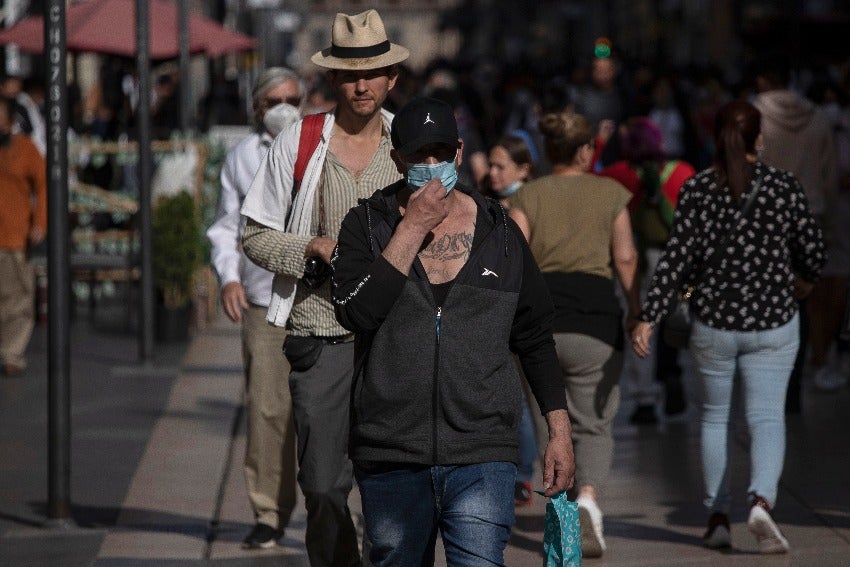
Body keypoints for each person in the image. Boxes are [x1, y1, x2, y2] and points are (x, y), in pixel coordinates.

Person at [332, 96, 575, 566]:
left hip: (482, 449)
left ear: (459, 154)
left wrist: (558, 432)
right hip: (391, 450)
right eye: (419, 155)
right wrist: (410, 230)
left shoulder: (499, 231)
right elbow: (355, 313)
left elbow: (535, 337)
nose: (431, 165)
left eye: (440, 154)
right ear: (395, 158)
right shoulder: (365, 225)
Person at [240, 9, 408, 566]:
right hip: (322, 333)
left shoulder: (409, 144)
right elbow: (255, 236)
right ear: (332, 79)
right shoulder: (301, 140)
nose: (362, 85)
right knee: (322, 485)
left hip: (396, 340)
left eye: (374, 72)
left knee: (395, 487)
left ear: (391, 79)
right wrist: (309, 249)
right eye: (350, 73)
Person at [631, 100, 826, 554]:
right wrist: (802, 282)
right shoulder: (783, 187)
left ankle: (718, 515)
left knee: (715, 419)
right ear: (760, 138)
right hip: (775, 320)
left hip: (713, 322)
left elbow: (676, 258)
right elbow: (813, 249)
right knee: (766, 416)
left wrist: (649, 316)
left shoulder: (699, 189)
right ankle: (761, 501)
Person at [508, 111, 640, 558]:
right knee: (595, 424)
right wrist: (637, 309)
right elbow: (624, 259)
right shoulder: (611, 194)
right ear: (587, 151)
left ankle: (562, 522)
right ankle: (587, 499)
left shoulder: (528, 194)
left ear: (548, 152)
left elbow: (517, 259)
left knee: (550, 420)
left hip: (541, 325)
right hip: (596, 321)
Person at [206, 67, 303, 550]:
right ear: (257, 107)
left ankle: (341, 514)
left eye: (293, 98)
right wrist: (228, 275)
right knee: (267, 412)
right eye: (274, 100)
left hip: (320, 299)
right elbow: (226, 225)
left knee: (332, 414)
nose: (284, 107)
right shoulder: (243, 156)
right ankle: (269, 511)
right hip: (264, 302)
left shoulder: (318, 146)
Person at [753, 60, 838, 413]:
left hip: (764, 217)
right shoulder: (818, 117)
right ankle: (793, 389)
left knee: (765, 300)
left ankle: (767, 384)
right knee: (800, 299)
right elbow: (829, 174)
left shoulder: (754, 113)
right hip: (810, 215)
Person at [600, 117, 696, 425]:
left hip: (633, 258)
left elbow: (584, 179)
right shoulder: (681, 172)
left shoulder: (616, 176)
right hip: (672, 258)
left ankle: (644, 399)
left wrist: (602, 143)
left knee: (640, 323)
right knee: (672, 320)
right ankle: (671, 373)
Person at [482, 134, 542, 506]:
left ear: (524, 169)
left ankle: (522, 473)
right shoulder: (491, 204)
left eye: (500, 165)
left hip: (516, 311)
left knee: (521, 399)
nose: (492, 172)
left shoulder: (523, 206)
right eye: (490, 164)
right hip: (494, 310)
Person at [0, 95, 46, 376]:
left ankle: (11, 354)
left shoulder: (26, 150)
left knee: (18, 299)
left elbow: (43, 186)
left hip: (16, 237)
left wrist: (39, 222)